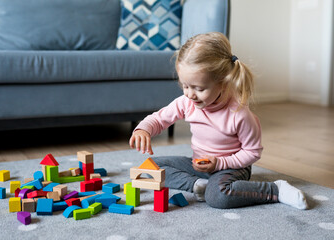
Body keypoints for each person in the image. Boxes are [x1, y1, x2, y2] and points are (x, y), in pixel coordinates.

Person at [129, 32, 308, 210]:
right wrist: (144, 129)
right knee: (152, 167)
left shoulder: (239, 114)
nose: (190, 94)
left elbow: (252, 153)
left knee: (218, 197)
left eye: (199, 88)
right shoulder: (187, 102)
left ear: (223, 82)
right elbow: (159, 119)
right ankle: (199, 185)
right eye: (185, 86)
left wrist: (221, 163)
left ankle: (275, 189)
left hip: (232, 168)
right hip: (199, 165)